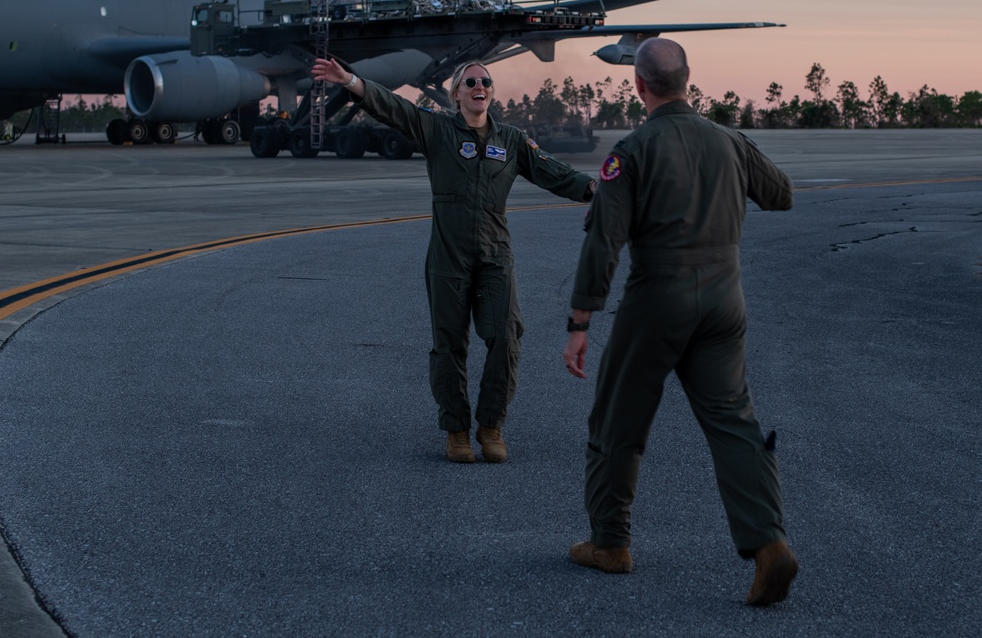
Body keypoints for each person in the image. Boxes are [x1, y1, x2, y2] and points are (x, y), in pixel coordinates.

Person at [562, 38, 798, 606]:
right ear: (688, 79)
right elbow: (781, 194)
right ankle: (769, 545)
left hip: (658, 300)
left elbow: (604, 242)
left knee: (618, 421)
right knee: (733, 422)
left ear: (638, 85)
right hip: (724, 301)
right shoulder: (728, 141)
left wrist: (579, 321)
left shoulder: (633, 150)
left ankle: (610, 543)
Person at [312, 57, 597, 464]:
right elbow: (395, 108)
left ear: (491, 92)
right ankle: (457, 430)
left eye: (486, 81)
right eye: (470, 82)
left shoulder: (512, 139)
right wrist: (351, 81)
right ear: (457, 94)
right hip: (448, 257)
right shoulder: (438, 130)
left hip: (495, 256)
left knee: (506, 336)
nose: (479, 86)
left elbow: (555, 172)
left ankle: (491, 424)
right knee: (449, 346)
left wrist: (593, 189)